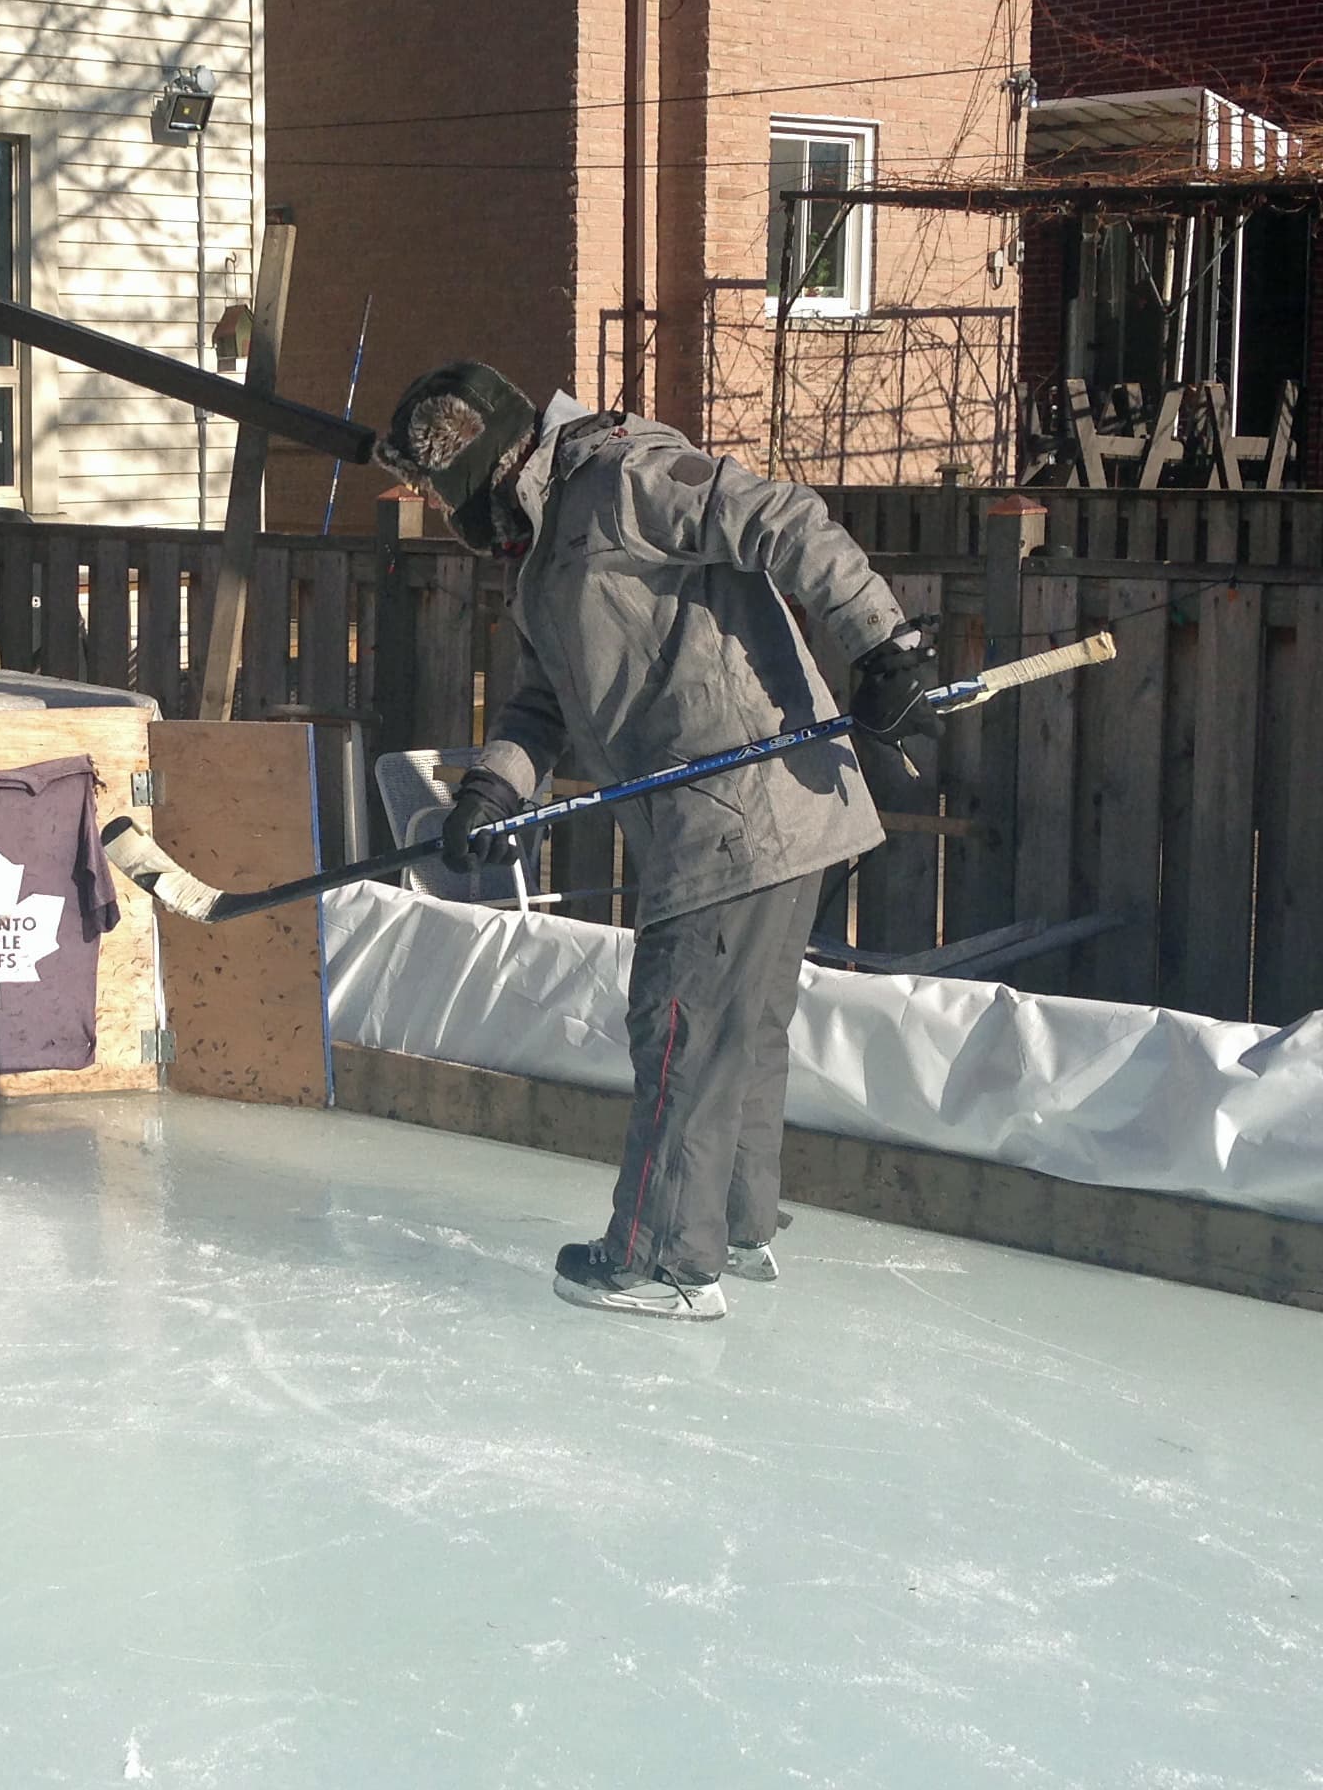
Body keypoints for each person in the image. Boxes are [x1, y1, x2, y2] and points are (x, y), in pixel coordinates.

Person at [374, 362, 936, 1321]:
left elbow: (784, 517)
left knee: (679, 1027)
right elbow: (546, 698)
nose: (440, 510)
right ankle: (736, 1225)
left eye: (438, 489)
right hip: (754, 819)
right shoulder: (551, 550)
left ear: (477, 470)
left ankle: (667, 1257)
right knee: (740, 1031)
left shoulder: (617, 481)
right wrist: (489, 792)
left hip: (741, 806)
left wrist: (883, 643)